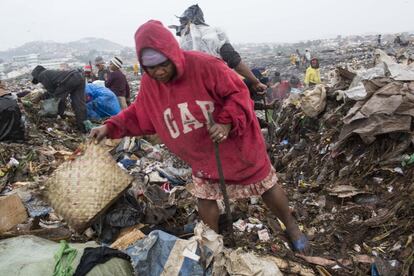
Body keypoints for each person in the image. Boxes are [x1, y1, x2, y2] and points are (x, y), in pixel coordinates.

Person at [90, 20, 308, 252]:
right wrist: (110, 127)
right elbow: (140, 112)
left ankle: (292, 227)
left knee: (264, 183)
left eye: (163, 65)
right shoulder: (151, 83)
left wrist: (225, 123)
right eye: (151, 68)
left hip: (236, 144)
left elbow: (238, 93)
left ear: (173, 55)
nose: (158, 72)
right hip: (202, 152)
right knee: (205, 194)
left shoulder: (205, 66)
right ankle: (210, 244)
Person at [171, 4, 267, 93]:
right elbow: (235, 61)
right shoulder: (213, 34)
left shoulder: (181, 43)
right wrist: (256, 82)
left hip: (191, 89)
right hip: (217, 87)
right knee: (249, 83)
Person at [31, 65, 87, 132]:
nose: (40, 82)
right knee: (79, 104)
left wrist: (40, 97)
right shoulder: (49, 73)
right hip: (79, 77)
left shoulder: (42, 75)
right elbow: (53, 91)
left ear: (36, 75)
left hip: (69, 79)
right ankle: (83, 128)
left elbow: (52, 92)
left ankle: (59, 118)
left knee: (58, 100)